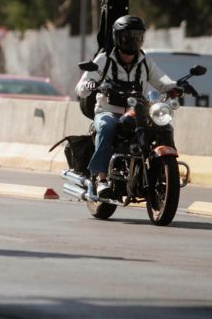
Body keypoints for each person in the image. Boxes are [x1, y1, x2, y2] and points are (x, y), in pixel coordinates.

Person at [75, 15, 178, 197]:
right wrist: (89, 85)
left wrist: (176, 87)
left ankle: (165, 172)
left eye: (137, 36)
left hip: (137, 112)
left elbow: (162, 80)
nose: (133, 40)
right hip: (108, 111)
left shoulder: (144, 61)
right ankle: (102, 179)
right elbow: (81, 87)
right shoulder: (104, 60)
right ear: (117, 37)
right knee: (107, 127)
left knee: (163, 125)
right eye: (128, 36)